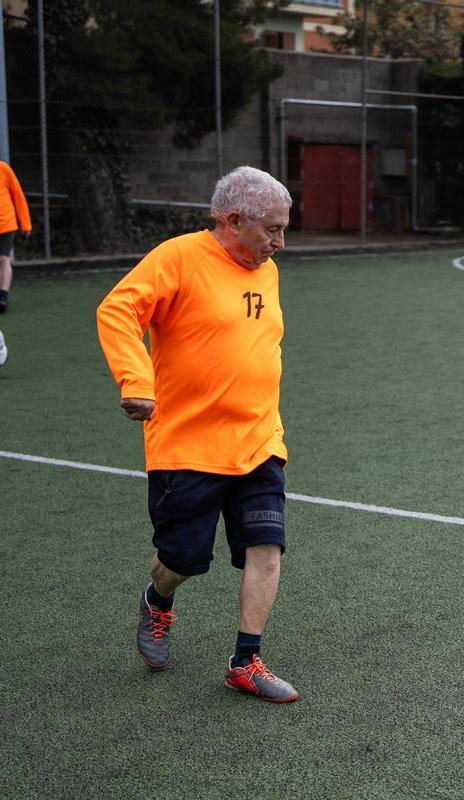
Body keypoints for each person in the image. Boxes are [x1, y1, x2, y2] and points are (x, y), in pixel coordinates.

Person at [96, 166, 299, 702]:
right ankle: (158, 599)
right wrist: (135, 380)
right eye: (271, 230)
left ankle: (245, 661)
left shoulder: (267, 269)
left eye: (284, 229)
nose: (280, 243)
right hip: (188, 444)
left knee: (267, 545)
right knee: (183, 558)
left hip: (258, 442)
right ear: (232, 220)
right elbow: (118, 310)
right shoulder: (179, 258)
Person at [0, 159, 33, 313]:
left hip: (5, 223)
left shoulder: (4, 169)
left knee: (3, 259)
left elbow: (18, 195)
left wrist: (25, 223)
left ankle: (3, 296)